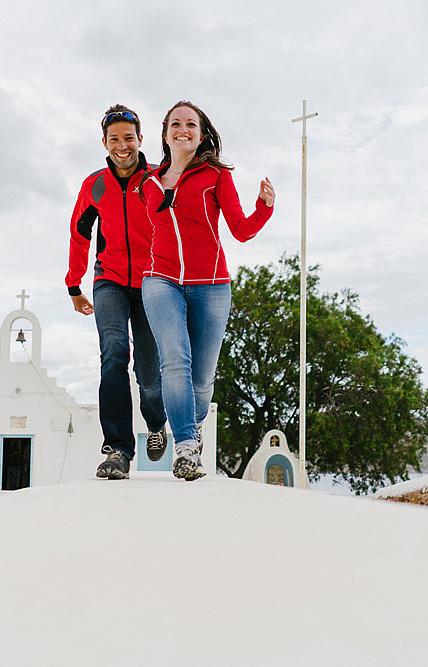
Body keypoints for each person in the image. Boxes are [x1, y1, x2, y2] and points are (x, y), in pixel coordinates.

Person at [140, 101, 275, 481]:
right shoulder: (148, 184)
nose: (183, 129)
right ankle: (185, 446)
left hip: (211, 285)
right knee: (175, 361)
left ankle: (192, 426)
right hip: (160, 280)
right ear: (165, 133)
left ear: (201, 134)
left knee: (202, 378)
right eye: (176, 123)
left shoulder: (215, 176)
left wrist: (263, 207)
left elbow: (241, 230)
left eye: (191, 124)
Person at [65, 104, 168, 480]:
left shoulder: (159, 178)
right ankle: (117, 449)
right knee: (113, 355)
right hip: (109, 280)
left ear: (141, 140)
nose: (122, 145)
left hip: (154, 281)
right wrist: (74, 284)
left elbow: (180, 229)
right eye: (114, 139)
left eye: (128, 138)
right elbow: (80, 234)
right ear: (104, 143)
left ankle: (156, 423)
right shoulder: (94, 185)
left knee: (150, 371)